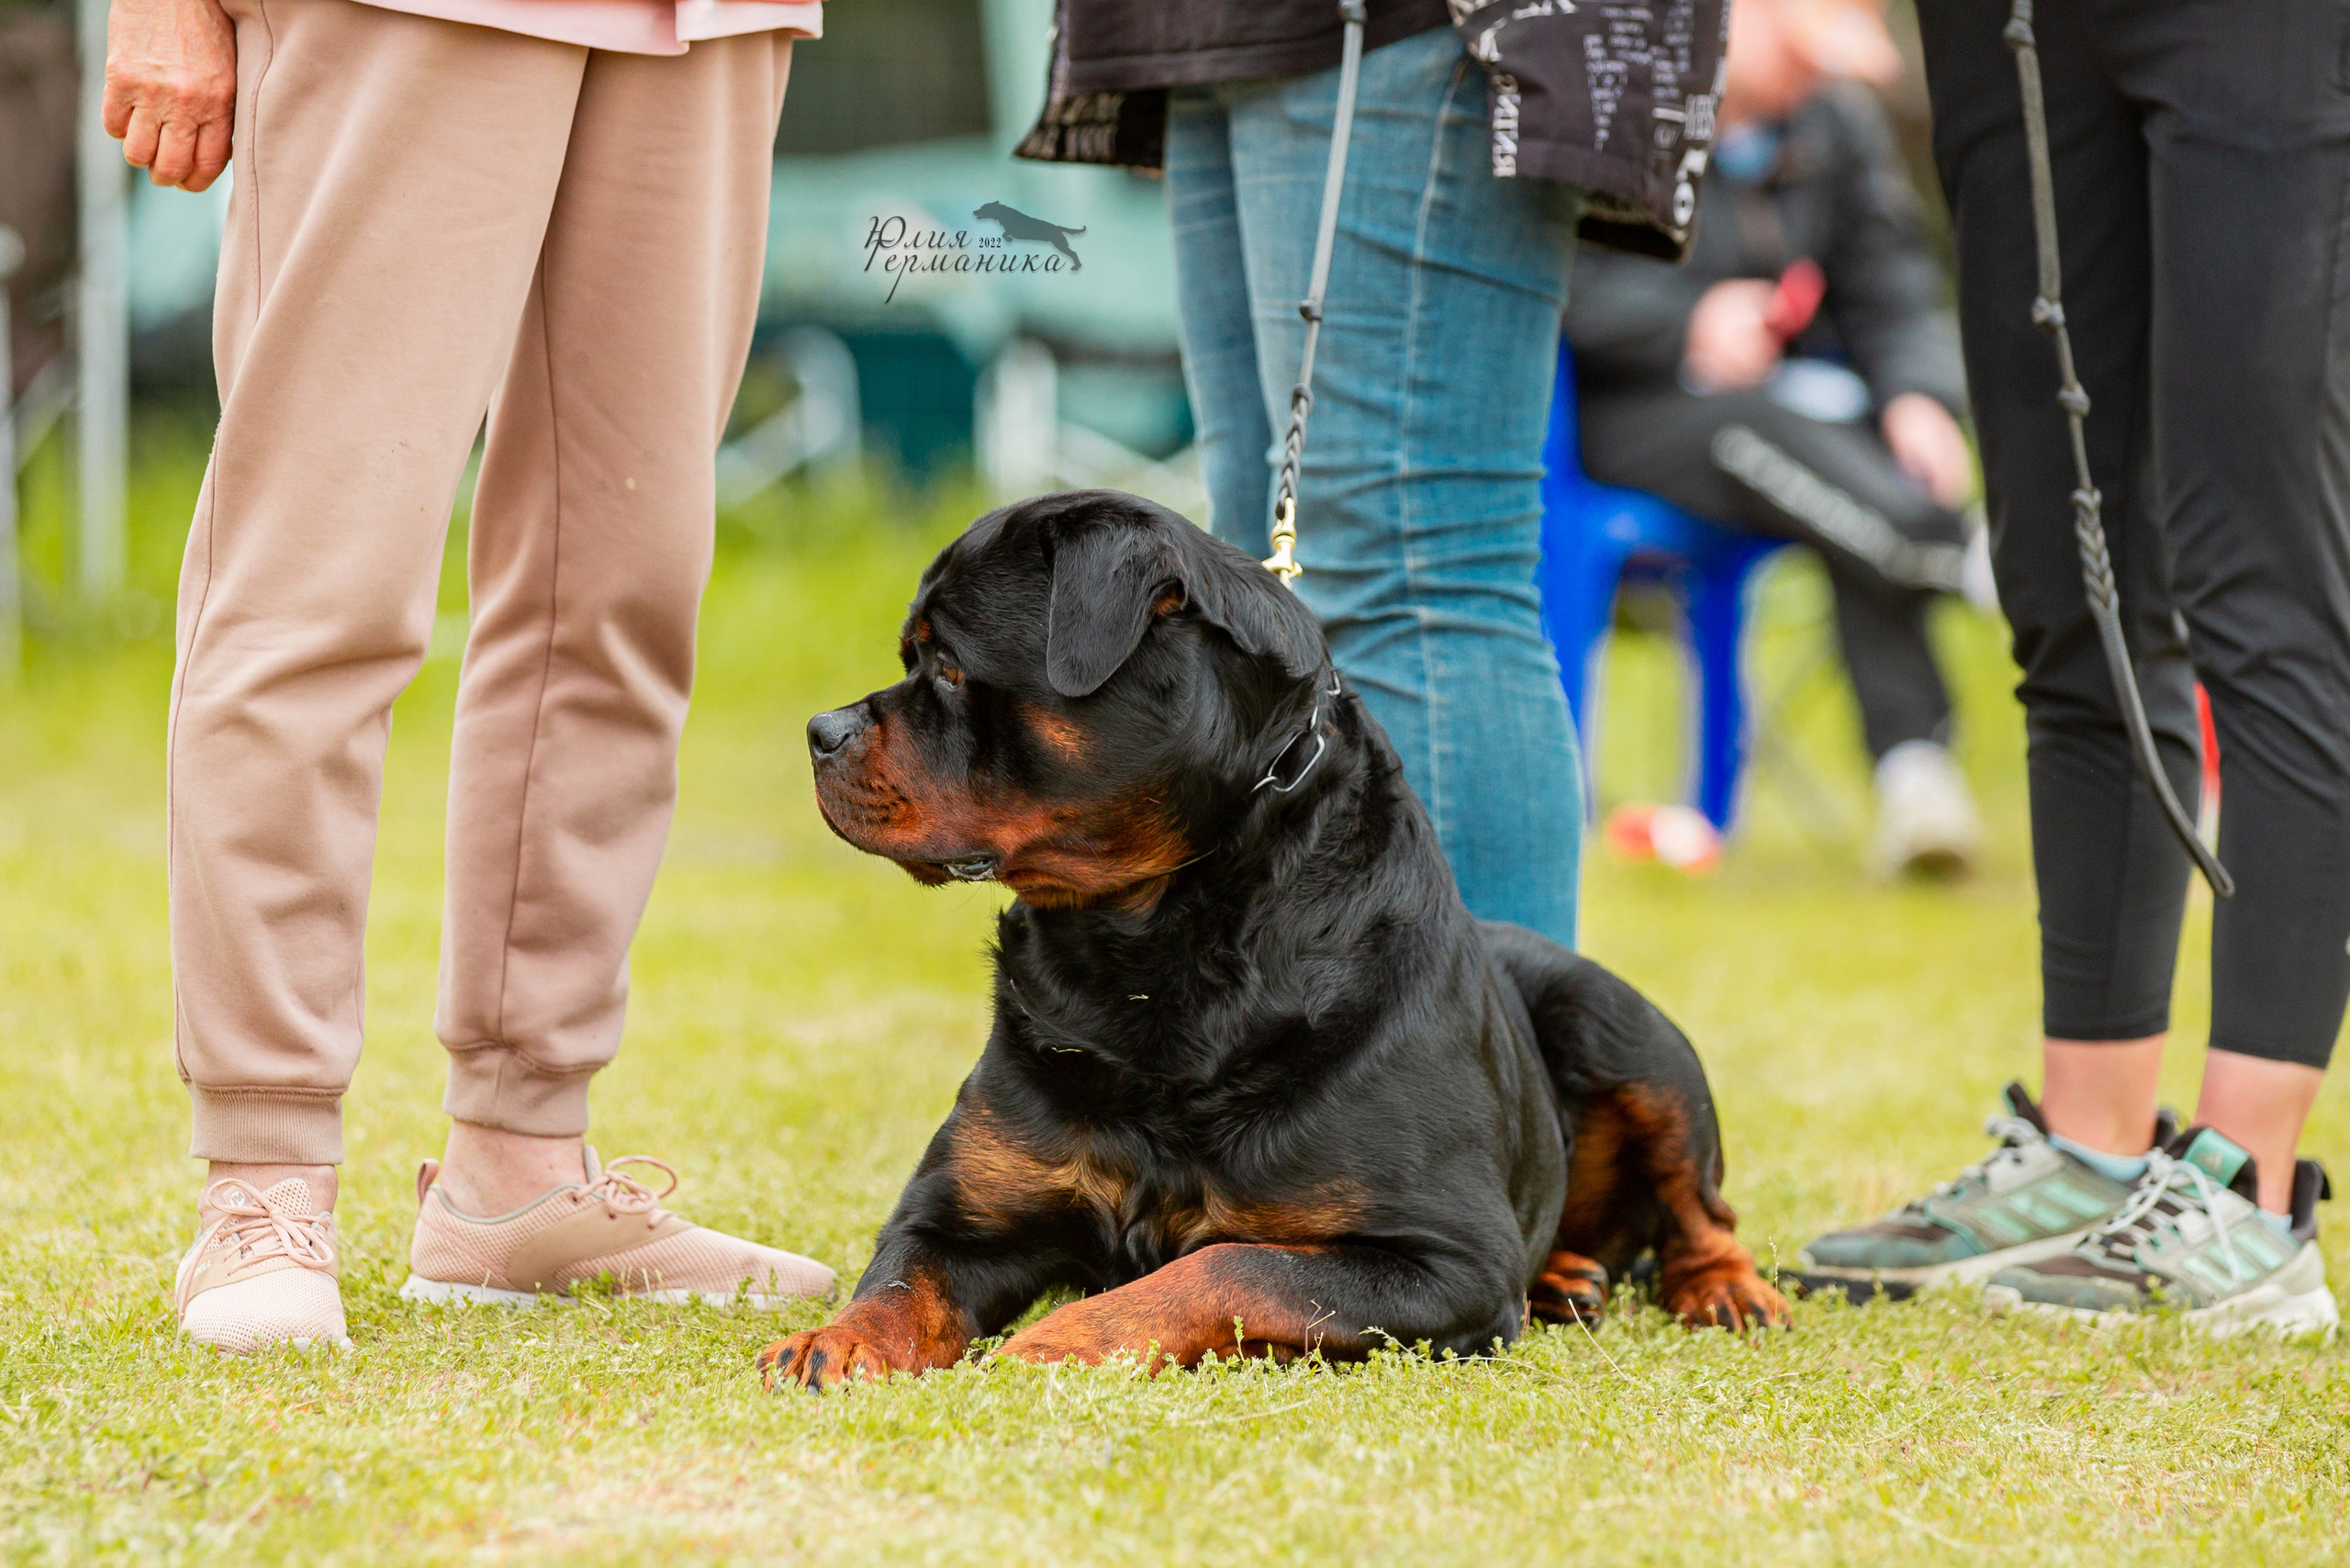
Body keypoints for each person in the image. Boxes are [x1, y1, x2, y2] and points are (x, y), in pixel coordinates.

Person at [109, 0, 835, 1351]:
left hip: (712, 21)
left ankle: (520, 1169)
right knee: (321, 563)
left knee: (620, 579)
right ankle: (263, 1181)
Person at [1804, 0, 2345, 1334]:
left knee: (2261, 593)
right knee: (2068, 593)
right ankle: (2091, 1147)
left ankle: (2250, 1195)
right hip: (2008, 31)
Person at [1013, 2, 1730, 952]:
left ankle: (1484, 1076)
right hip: (1203, 32)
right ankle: (1313, 1067)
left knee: (1415, 572)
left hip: (1399, 27)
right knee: (1250, 579)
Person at [1566, 0, 1986, 879]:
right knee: (1775, 437)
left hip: (1789, 416)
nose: (1816, 76)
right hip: (1631, 413)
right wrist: (1688, 324)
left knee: (1851, 456)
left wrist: (1919, 398)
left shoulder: (1833, 119)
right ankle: (1978, 565)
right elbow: (1563, 277)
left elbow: (1890, 276)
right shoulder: (1621, 99)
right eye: (1801, 54)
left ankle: (1915, 762)